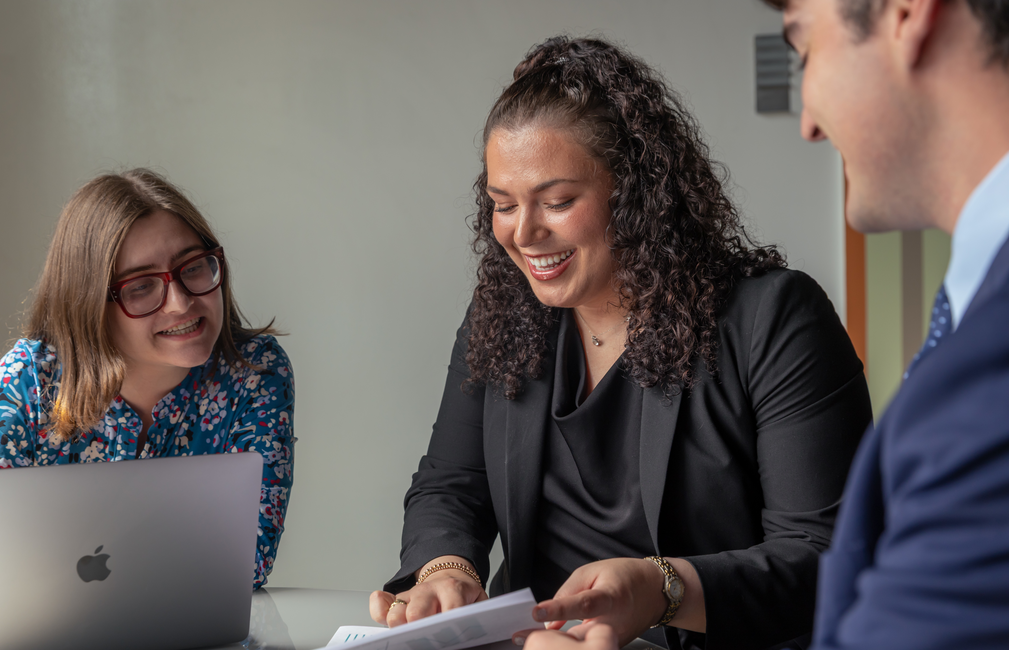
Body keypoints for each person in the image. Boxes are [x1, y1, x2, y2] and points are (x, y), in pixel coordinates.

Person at [525, 1, 1009, 650]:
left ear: (906, 13)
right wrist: (660, 589)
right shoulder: (978, 313)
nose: (807, 123)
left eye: (804, 49)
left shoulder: (985, 354)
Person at [370, 37, 872, 650]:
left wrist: (667, 588)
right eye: (503, 205)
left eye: (556, 202)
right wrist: (446, 568)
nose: (524, 234)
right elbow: (450, 482)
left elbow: (826, 555)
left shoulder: (773, 319)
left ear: (635, 195)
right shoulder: (500, 316)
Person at [0, 169, 296, 614]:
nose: (181, 303)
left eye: (193, 267)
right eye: (142, 287)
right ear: (88, 303)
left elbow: (250, 561)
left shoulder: (255, 372)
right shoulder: (30, 379)